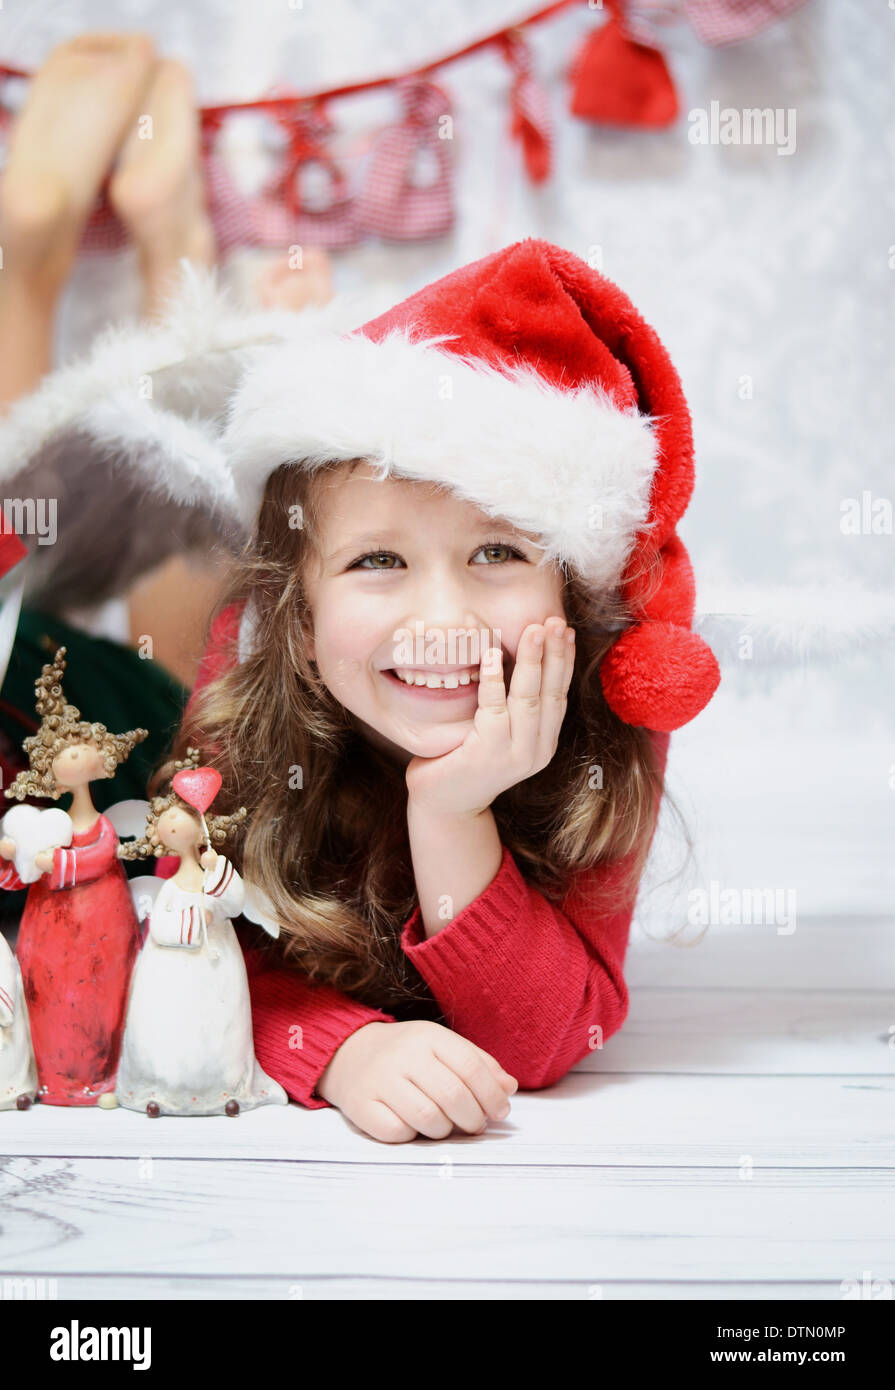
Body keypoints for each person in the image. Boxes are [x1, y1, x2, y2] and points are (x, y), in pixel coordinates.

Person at [0, 237, 721, 1142]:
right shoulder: (250, 681)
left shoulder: (606, 723)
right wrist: (338, 1048)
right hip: (101, 729)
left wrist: (453, 815)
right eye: (379, 559)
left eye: (496, 552)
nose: (441, 617)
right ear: (297, 624)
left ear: (570, 596)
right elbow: (184, 938)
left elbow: (541, 1039)